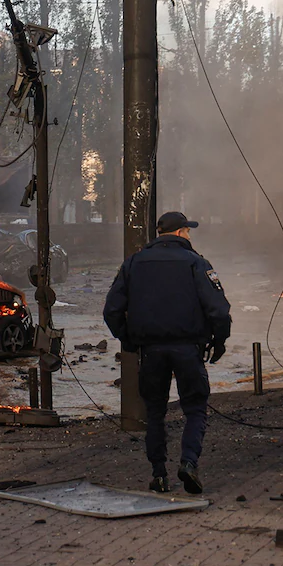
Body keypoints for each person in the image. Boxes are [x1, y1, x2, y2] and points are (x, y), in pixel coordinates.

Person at [102, 211, 231, 495]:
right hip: (188, 348)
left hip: (151, 350)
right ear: (181, 232)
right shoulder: (196, 263)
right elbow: (219, 309)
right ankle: (188, 463)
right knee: (195, 408)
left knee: (156, 412)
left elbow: (111, 310)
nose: (190, 235)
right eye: (188, 230)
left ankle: (159, 475)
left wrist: (129, 339)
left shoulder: (133, 263)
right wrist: (219, 342)